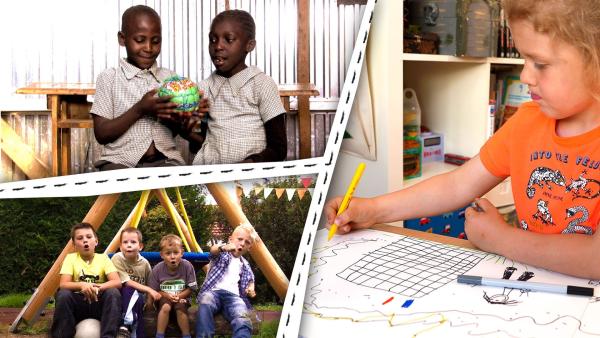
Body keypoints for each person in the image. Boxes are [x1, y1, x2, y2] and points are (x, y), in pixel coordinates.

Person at [325, 0, 600, 280]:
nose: (525, 75)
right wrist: (373, 210)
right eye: (523, 59)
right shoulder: (527, 122)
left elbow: (595, 259)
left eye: (540, 64)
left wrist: (501, 239)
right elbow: (457, 185)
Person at [91, 5, 191, 170]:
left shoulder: (170, 79)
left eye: (156, 41)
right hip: (119, 162)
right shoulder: (109, 78)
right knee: (122, 189)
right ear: (122, 39)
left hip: (166, 161)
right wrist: (140, 109)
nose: (149, 48)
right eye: (140, 40)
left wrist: (178, 117)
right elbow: (102, 134)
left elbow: (178, 130)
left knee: (179, 186)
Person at [190, 9, 287, 165]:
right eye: (213, 40)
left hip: (251, 177)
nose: (218, 46)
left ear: (249, 45)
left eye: (228, 39)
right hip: (211, 175)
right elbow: (199, 144)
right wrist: (182, 130)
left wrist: (251, 163)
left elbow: (279, 148)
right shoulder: (203, 88)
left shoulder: (262, 85)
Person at [50, 223, 122, 338]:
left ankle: (109, 336)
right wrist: (82, 285)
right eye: (80, 238)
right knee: (63, 294)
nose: (85, 241)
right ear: (74, 244)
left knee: (113, 293)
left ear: (96, 241)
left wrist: (97, 287)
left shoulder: (103, 258)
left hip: (98, 303)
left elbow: (117, 282)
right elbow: (63, 284)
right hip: (78, 305)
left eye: (89, 237)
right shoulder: (70, 258)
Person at [196, 223, 257, 338]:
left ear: (249, 248)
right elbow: (212, 251)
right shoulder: (222, 254)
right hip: (214, 292)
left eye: (247, 242)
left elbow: (250, 279)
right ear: (230, 240)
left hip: (234, 297)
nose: (242, 243)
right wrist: (222, 247)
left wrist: (251, 288)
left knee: (242, 317)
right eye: (239, 239)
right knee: (205, 302)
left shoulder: (245, 264)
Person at [111, 228, 162, 338]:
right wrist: (149, 290)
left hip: (139, 299)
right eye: (125, 242)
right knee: (128, 290)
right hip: (121, 297)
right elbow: (126, 283)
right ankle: (126, 325)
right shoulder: (117, 258)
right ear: (120, 246)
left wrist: (149, 303)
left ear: (140, 246)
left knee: (138, 296)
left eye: (133, 242)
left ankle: (129, 329)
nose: (129, 245)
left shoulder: (144, 263)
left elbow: (150, 284)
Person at [149, 234, 197, 338]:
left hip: (182, 299)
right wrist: (166, 296)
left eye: (176, 252)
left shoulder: (187, 266)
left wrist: (180, 296)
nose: (172, 256)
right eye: (168, 253)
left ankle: (186, 335)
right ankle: (159, 335)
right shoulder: (157, 269)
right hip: (164, 299)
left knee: (180, 307)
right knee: (166, 307)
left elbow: (191, 288)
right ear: (162, 255)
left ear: (182, 253)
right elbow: (155, 290)